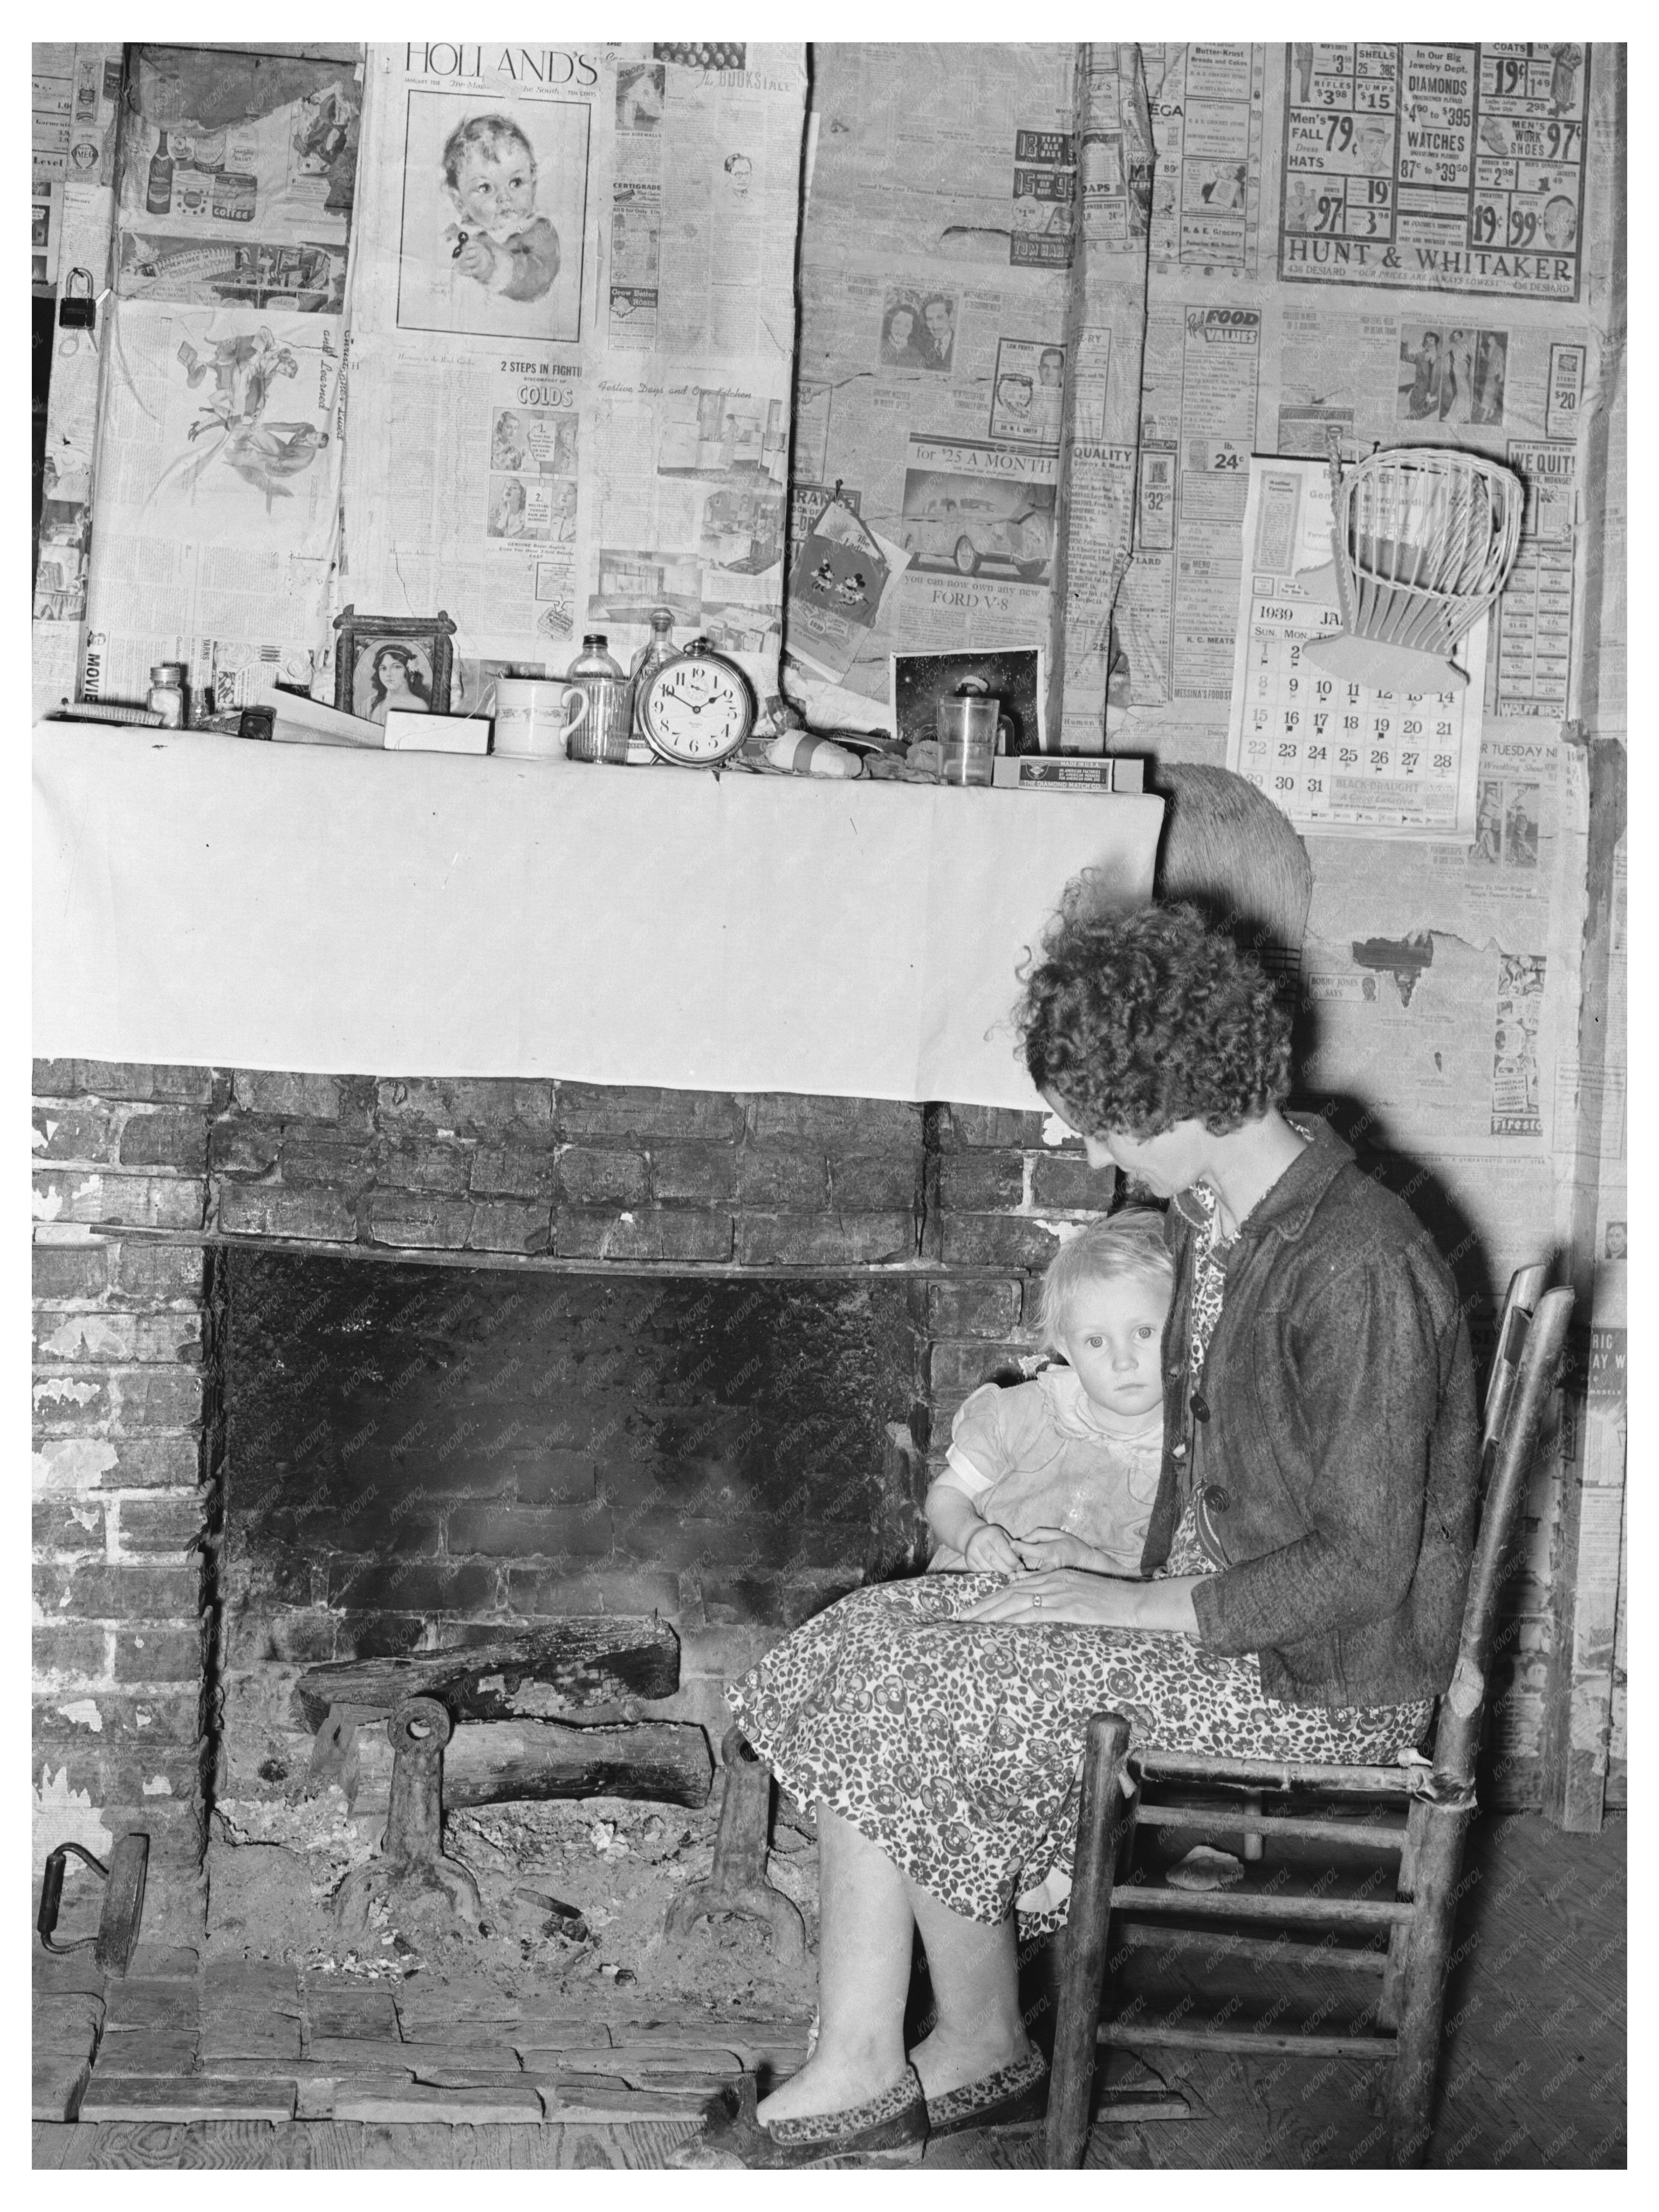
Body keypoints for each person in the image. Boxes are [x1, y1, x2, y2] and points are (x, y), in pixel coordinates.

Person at [686, 896, 1476, 2168]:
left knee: (933, 1682)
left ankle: (901, 2057)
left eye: (1099, 1118)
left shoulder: (1354, 1263)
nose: (1083, 1139)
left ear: (1176, 1099)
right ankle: (937, 2046)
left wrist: (1122, 1604)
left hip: (1320, 1676)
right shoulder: (1222, 1215)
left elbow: (1364, 1563)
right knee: (865, 1639)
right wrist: (1092, 1569)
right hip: (1227, 1617)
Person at [926, 1213, 1172, 1576]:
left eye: (1144, 1333)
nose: (1124, 1362)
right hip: (977, 1589)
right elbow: (946, 1496)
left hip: (1089, 1607)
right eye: (1096, 1341)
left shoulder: (1185, 1460)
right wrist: (970, 1534)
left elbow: (1171, 1586)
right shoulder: (1024, 1413)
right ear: (1068, 1350)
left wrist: (1088, 1562)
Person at [441, 114, 560, 304]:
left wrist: (493, 268)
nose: (505, 198)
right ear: (459, 202)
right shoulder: (462, 233)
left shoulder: (536, 230)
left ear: (534, 183)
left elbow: (538, 277)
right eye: (485, 188)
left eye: (516, 183)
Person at [364, 644, 431, 724]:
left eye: (396, 667)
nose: (389, 674)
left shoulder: (419, 706)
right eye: (383, 668)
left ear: (408, 670)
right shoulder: (375, 705)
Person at [879, 301, 925, 368]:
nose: (901, 330)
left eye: (907, 326)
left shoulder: (918, 357)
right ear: (890, 323)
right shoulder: (878, 346)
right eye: (897, 323)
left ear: (912, 330)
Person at [920, 293, 956, 371]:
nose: (935, 327)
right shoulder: (923, 345)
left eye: (940, 318)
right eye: (930, 320)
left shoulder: (959, 342)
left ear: (950, 316)